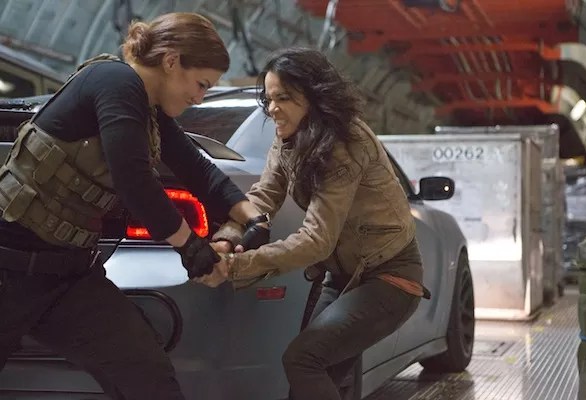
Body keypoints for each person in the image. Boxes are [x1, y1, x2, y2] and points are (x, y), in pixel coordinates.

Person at [0, 12, 268, 400]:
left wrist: (253, 217)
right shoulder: (115, 81)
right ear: (172, 61)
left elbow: (195, 168)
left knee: (147, 376)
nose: (199, 98)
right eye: (201, 84)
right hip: (9, 269)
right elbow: (134, 180)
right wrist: (191, 248)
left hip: (68, 277)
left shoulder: (147, 109)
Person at [202, 47, 429, 400]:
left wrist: (234, 266)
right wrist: (227, 238)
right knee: (308, 381)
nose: (272, 109)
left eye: (283, 98)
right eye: (269, 99)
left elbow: (316, 240)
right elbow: (264, 195)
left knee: (304, 361)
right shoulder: (288, 137)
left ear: (316, 96)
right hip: (342, 276)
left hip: (389, 278)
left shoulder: (345, 144)